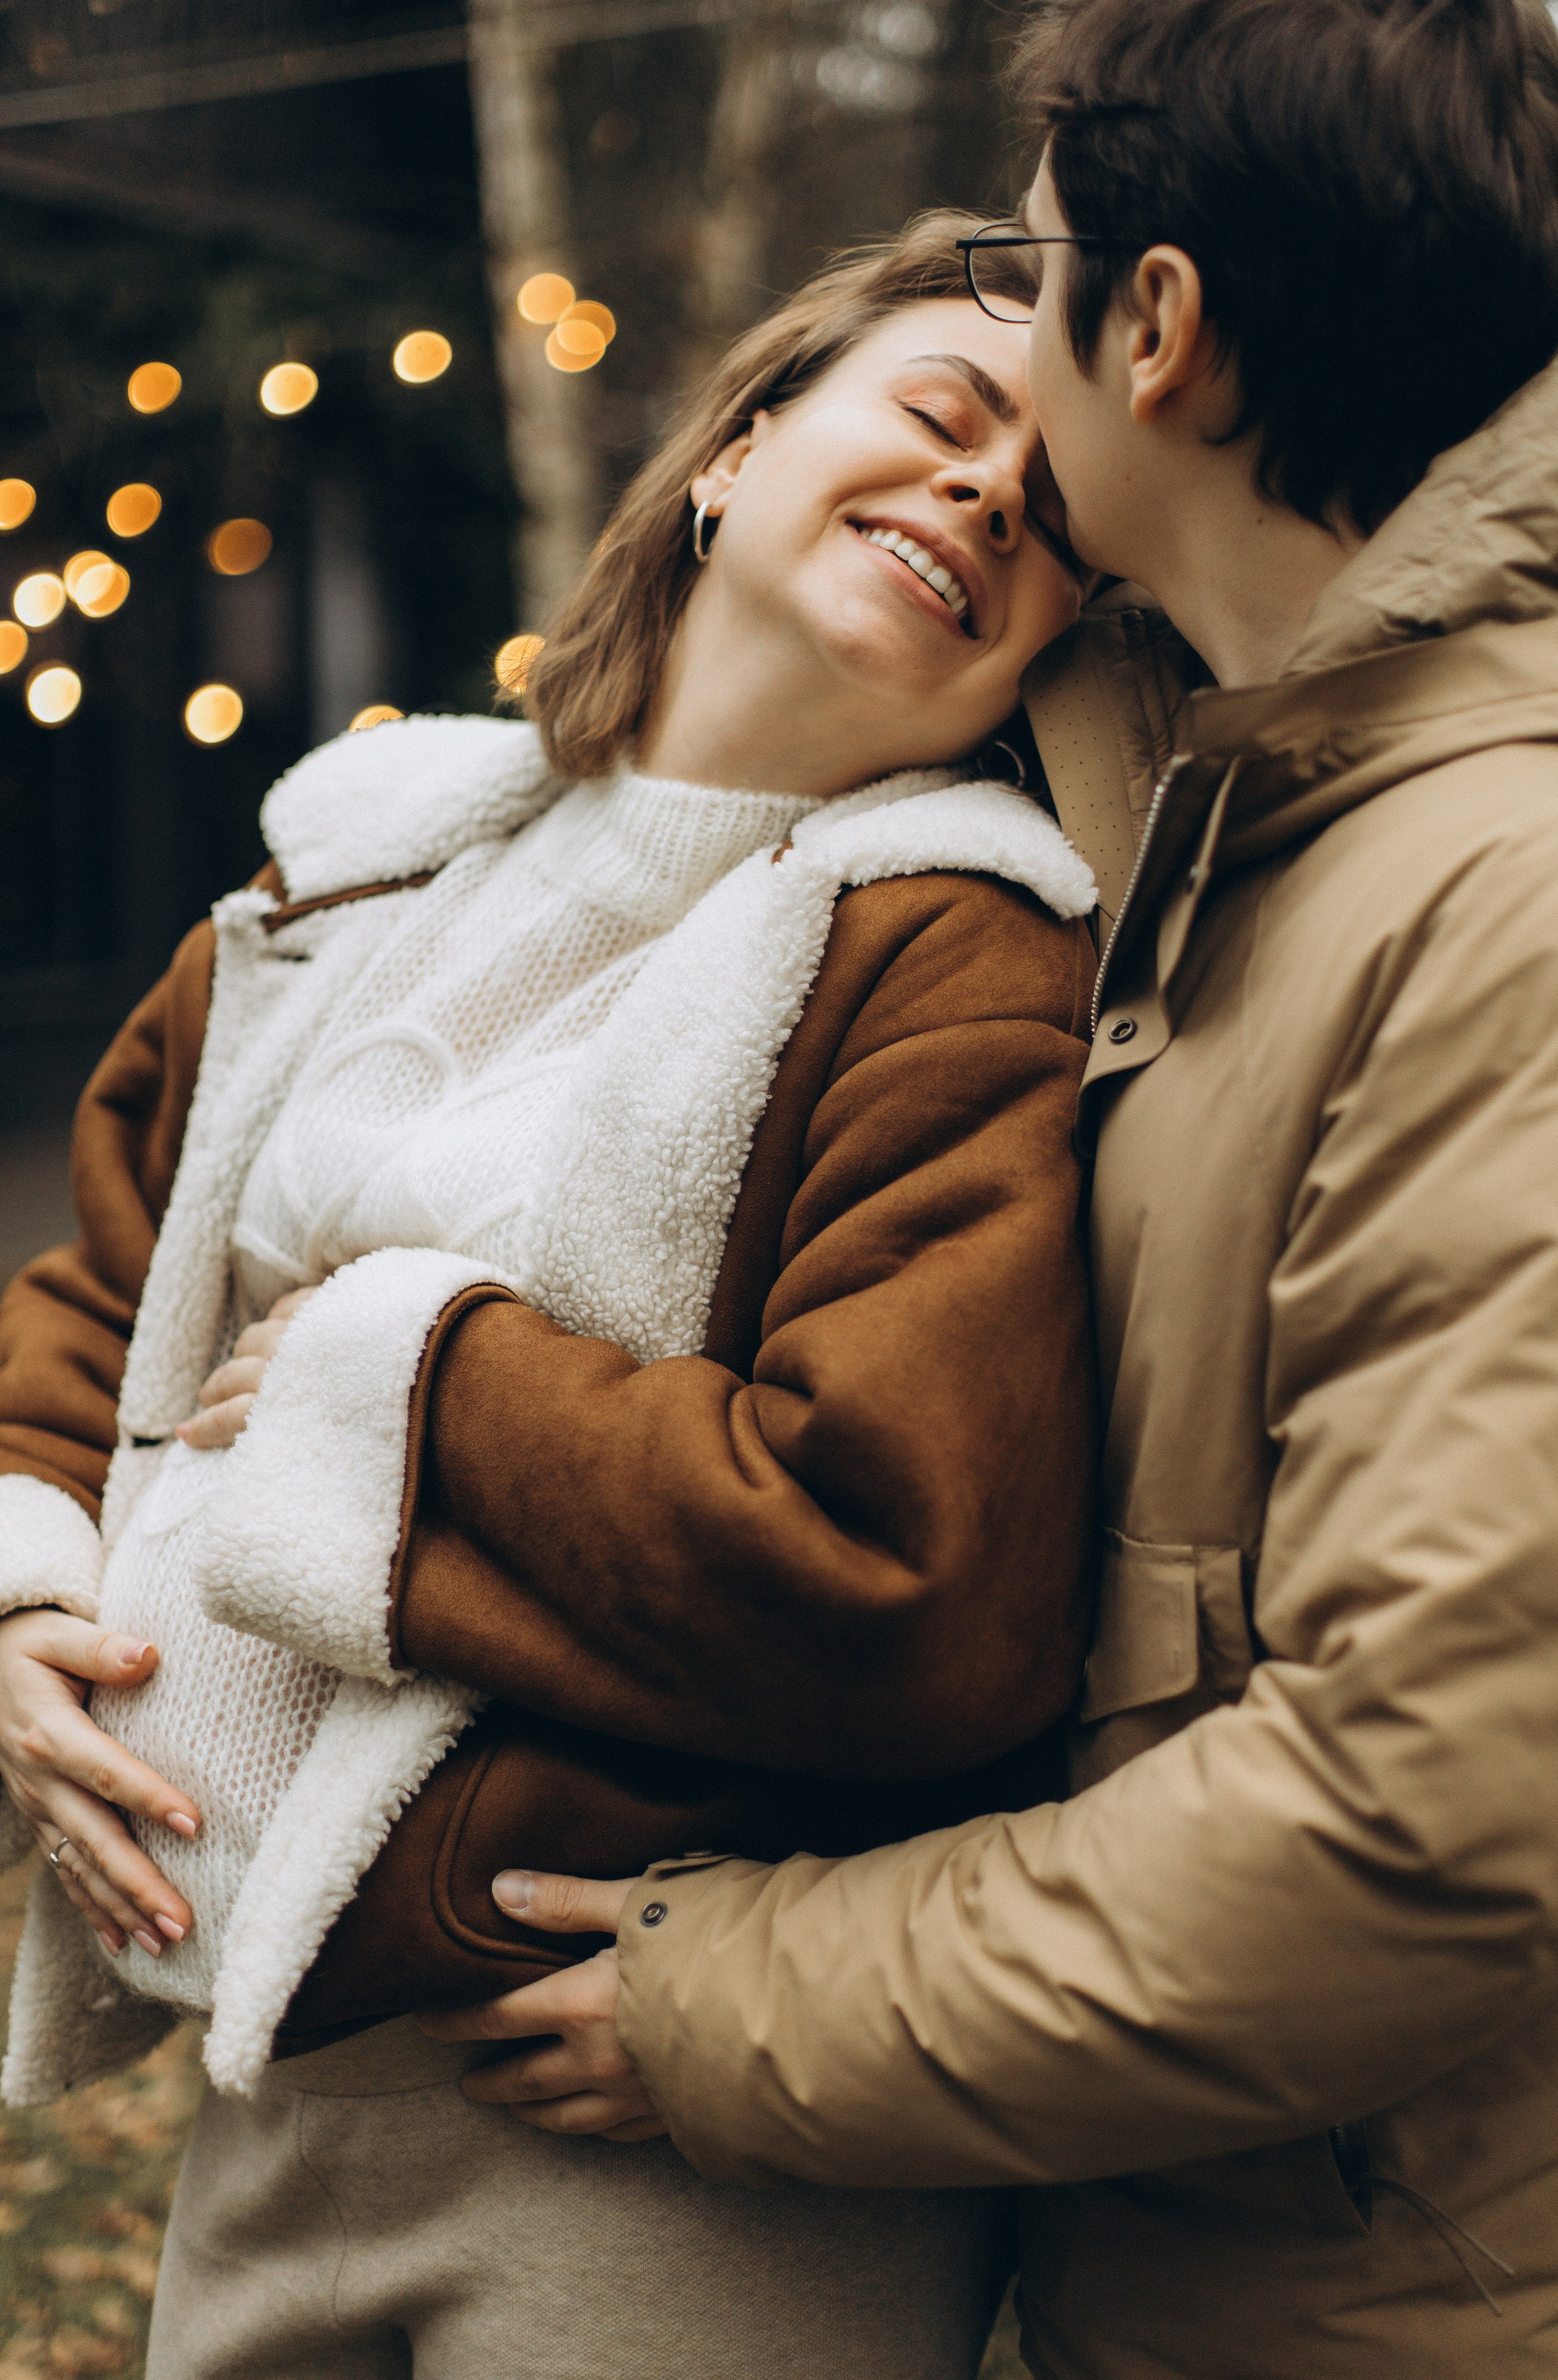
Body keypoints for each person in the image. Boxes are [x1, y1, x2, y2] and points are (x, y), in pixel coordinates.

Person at [430, 4, 1558, 2374]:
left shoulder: (1517, 908)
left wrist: (733, 2009)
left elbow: (1419, 1819)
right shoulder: (1231, 810)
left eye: (1031, 264)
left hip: (1407, 2305)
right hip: (1196, 2261)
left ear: (1155, 331)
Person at [0, 214, 1104, 2377]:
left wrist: (398, 1375)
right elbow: (101, 1303)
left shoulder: (965, 952)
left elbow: (904, 1563)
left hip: (637, 2140)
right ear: (741, 443)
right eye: (944, 415)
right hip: (262, 2086)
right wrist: (29, 1608)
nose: (986, 492)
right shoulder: (362, 851)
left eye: (1057, 515)